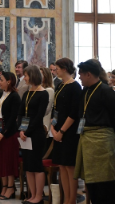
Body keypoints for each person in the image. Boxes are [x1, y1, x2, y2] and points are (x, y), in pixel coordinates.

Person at [74, 60, 115, 204]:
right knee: (90, 181)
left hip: (102, 141)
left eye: (81, 75)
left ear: (89, 74)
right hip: (87, 139)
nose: (79, 78)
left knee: (104, 182)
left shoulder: (106, 91)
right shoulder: (85, 91)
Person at [50, 58, 81, 204]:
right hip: (58, 129)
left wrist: (61, 131)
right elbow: (56, 109)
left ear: (65, 68)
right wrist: (53, 128)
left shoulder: (75, 86)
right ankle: (65, 198)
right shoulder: (60, 85)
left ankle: (71, 199)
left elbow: (74, 113)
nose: (55, 70)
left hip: (69, 131)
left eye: (57, 68)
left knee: (70, 166)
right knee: (61, 165)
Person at [18, 65, 48, 204]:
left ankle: (39, 196)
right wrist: (21, 130)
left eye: (26, 75)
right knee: (28, 166)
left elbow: (38, 116)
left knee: (36, 165)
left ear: (33, 75)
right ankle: (32, 194)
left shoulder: (43, 93)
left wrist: (27, 131)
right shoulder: (26, 93)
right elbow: (21, 114)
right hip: (24, 133)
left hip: (36, 133)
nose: (24, 78)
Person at [0, 72, 21, 200]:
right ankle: (3, 186)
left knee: (8, 161)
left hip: (8, 132)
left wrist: (3, 133)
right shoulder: (0, 95)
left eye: (1, 80)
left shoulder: (14, 97)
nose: (0, 82)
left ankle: (10, 187)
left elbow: (13, 118)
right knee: (0, 161)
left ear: (9, 81)